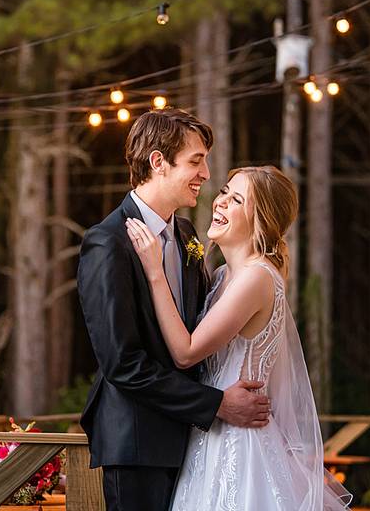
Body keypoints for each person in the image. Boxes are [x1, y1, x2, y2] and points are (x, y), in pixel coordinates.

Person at [125, 165, 353, 510]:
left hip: (242, 447)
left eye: (236, 200)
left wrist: (155, 272)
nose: (220, 203)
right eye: (224, 193)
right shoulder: (220, 277)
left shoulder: (256, 278)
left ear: (259, 219)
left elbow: (186, 353)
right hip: (210, 438)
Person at [77, 109, 271, 511]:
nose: (205, 173)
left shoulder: (185, 234)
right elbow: (123, 364)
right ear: (158, 162)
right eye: (196, 161)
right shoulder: (107, 243)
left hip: (195, 443)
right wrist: (216, 403)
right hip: (138, 443)